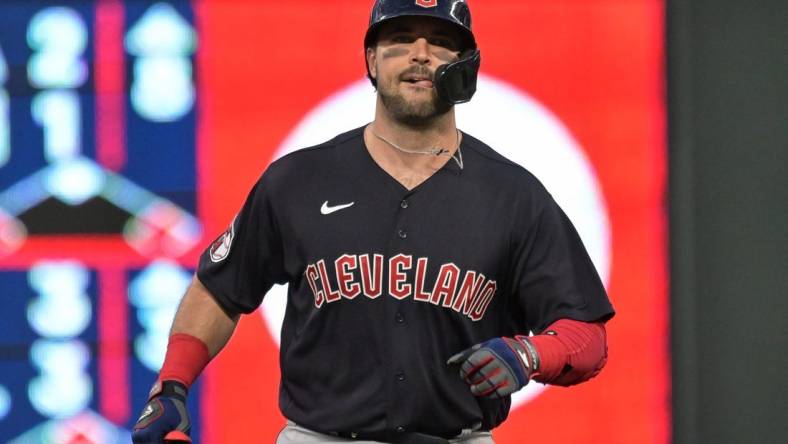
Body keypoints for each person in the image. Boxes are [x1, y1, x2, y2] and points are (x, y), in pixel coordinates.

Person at [131, 1, 615, 443]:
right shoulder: (299, 180)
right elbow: (220, 288)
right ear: (370, 61)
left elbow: (587, 337)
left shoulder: (513, 195)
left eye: (441, 42)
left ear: (466, 67)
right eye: (400, 40)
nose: (420, 55)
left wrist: (530, 356)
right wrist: (170, 386)